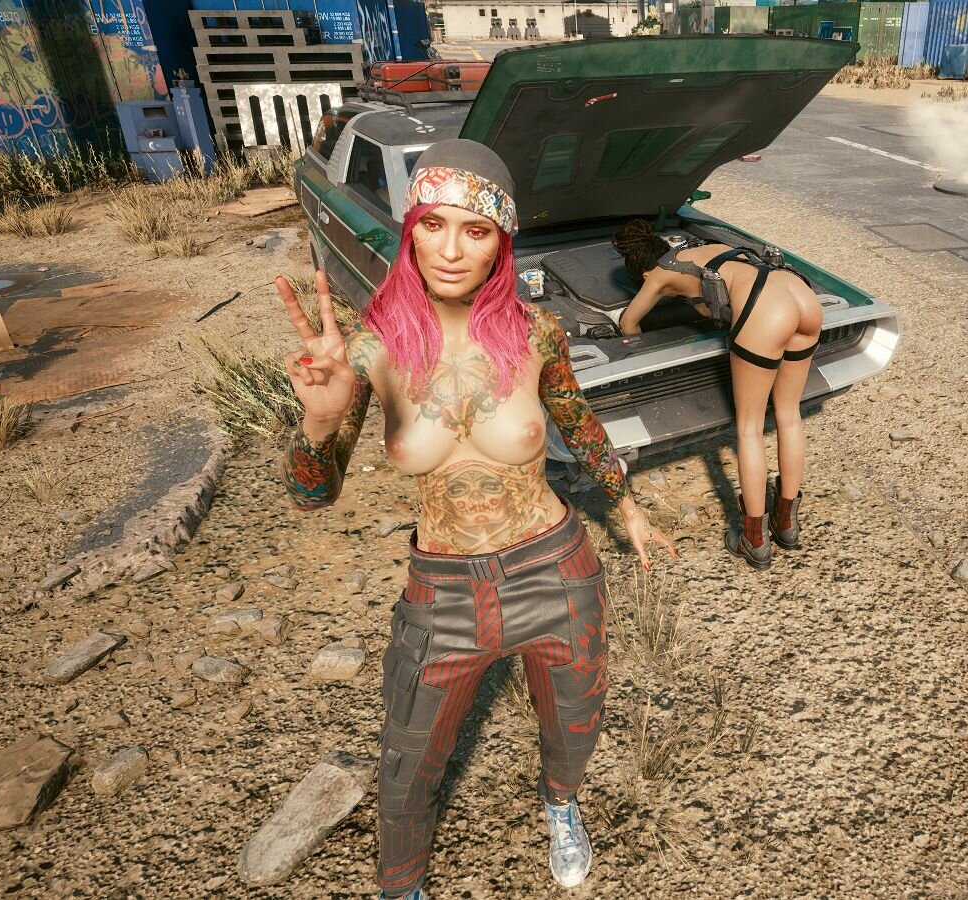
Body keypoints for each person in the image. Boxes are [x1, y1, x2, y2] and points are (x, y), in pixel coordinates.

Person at [279, 140, 677, 900]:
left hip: (555, 568)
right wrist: (320, 424)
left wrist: (625, 505)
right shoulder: (372, 349)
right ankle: (403, 885)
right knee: (407, 759)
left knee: (574, 721)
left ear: (502, 242)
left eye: (476, 229)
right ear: (411, 230)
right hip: (445, 592)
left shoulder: (536, 333)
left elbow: (577, 419)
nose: (452, 250)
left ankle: (560, 805)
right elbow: (311, 497)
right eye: (433, 225)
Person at [611, 220, 822, 569]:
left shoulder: (659, 274)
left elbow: (629, 322)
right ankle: (787, 525)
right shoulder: (698, 249)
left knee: (750, 428)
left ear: (644, 273)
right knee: (789, 414)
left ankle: (755, 541)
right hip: (800, 294)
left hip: (766, 309)